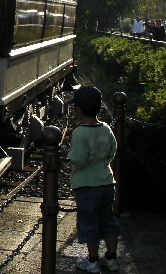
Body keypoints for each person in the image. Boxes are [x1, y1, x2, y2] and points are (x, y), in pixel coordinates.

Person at [68, 86, 122, 273]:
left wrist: (70, 155)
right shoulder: (106, 128)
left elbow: (79, 159)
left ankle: (92, 260)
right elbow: (113, 149)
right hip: (107, 181)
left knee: (89, 222)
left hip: (86, 185)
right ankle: (111, 258)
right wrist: (103, 163)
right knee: (108, 220)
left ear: (78, 110)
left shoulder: (79, 133)